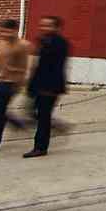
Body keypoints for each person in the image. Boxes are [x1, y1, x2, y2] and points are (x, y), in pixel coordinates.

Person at [24, 15, 69, 157]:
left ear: (56, 27)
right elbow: (38, 65)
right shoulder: (43, 41)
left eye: (48, 25)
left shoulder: (60, 44)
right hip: (38, 84)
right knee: (32, 112)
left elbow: (56, 68)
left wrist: (51, 89)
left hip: (50, 87)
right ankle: (56, 125)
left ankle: (40, 148)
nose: (44, 28)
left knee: (43, 118)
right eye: (42, 25)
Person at [0, 19, 31, 150]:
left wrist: (18, 84)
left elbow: (24, 68)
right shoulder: (2, 43)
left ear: (15, 30)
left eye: (6, 31)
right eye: (1, 31)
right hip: (0, 81)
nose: (3, 34)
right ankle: (15, 122)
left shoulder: (23, 45)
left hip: (11, 83)